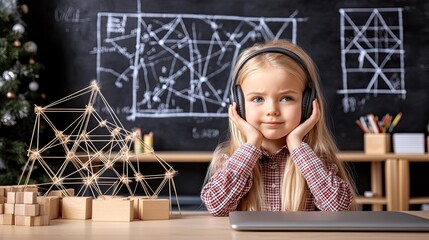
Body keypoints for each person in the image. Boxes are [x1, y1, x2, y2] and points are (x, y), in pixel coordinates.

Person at [200, 39, 356, 217]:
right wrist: (252, 144)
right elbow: (216, 206)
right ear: (239, 105)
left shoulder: (316, 161)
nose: (272, 110)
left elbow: (339, 209)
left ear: (307, 104)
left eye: (286, 98)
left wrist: (296, 145)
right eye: (258, 99)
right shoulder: (231, 161)